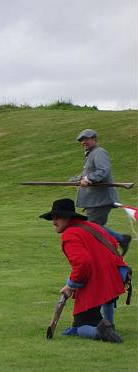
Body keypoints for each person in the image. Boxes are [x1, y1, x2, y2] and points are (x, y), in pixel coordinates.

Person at [39, 198, 127, 343]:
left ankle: (101, 331)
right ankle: (109, 325)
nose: (54, 222)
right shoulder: (92, 226)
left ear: (68, 217)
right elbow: (113, 244)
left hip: (98, 282)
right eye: (53, 218)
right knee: (90, 317)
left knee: (81, 326)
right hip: (115, 276)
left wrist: (71, 285)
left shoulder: (70, 235)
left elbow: (82, 264)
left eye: (57, 218)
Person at [70, 129, 131, 256]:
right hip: (95, 200)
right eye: (82, 140)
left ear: (94, 139)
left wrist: (88, 179)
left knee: (93, 226)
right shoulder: (91, 154)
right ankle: (117, 242)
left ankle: (120, 240)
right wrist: (76, 180)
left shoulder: (99, 152)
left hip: (100, 199)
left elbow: (103, 171)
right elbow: (87, 174)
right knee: (93, 226)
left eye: (87, 139)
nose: (84, 142)